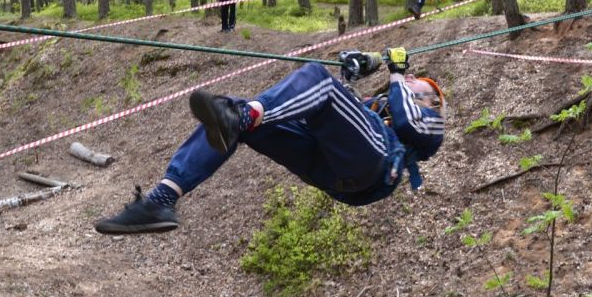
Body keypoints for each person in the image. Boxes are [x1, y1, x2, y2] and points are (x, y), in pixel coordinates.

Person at [94, 47, 445, 234]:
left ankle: (243, 117)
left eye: (421, 83)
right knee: (235, 114)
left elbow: (407, 122)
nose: (413, 78)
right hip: (333, 168)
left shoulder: (431, 123)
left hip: (374, 164)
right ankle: (161, 200)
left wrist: (397, 73)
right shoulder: (379, 113)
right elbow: (336, 116)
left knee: (315, 78)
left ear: (432, 100)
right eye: (411, 77)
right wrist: (349, 78)